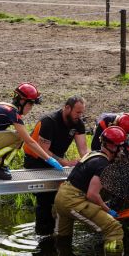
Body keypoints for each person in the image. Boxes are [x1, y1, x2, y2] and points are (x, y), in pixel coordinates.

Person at [53, 126, 128, 252]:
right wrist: (108, 210)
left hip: (61, 197)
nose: (121, 151)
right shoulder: (103, 165)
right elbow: (92, 195)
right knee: (113, 228)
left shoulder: (93, 154)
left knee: (63, 237)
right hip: (73, 202)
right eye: (119, 147)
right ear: (112, 146)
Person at [23, 96, 89, 235]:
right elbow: (44, 151)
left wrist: (90, 162)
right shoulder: (49, 121)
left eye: (82, 113)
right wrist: (66, 163)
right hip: (36, 160)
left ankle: (58, 232)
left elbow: (83, 150)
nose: (80, 116)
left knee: (61, 196)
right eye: (77, 112)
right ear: (67, 108)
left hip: (56, 161)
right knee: (45, 198)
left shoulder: (77, 123)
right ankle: (43, 236)